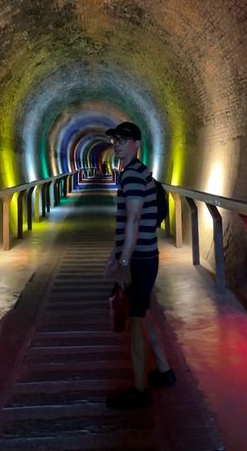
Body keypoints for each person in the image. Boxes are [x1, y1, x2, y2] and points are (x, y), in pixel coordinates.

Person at [104, 121, 176, 410]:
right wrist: (116, 253)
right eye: (115, 140)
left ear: (136, 144)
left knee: (135, 322)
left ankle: (139, 389)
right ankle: (164, 370)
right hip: (144, 255)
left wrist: (124, 261)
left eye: (123, 140)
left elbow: (133, 220)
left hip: (139, 259)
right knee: (143, 313)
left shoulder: (132, 175)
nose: (117, 145)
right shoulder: (140, 171)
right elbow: (128, 222)